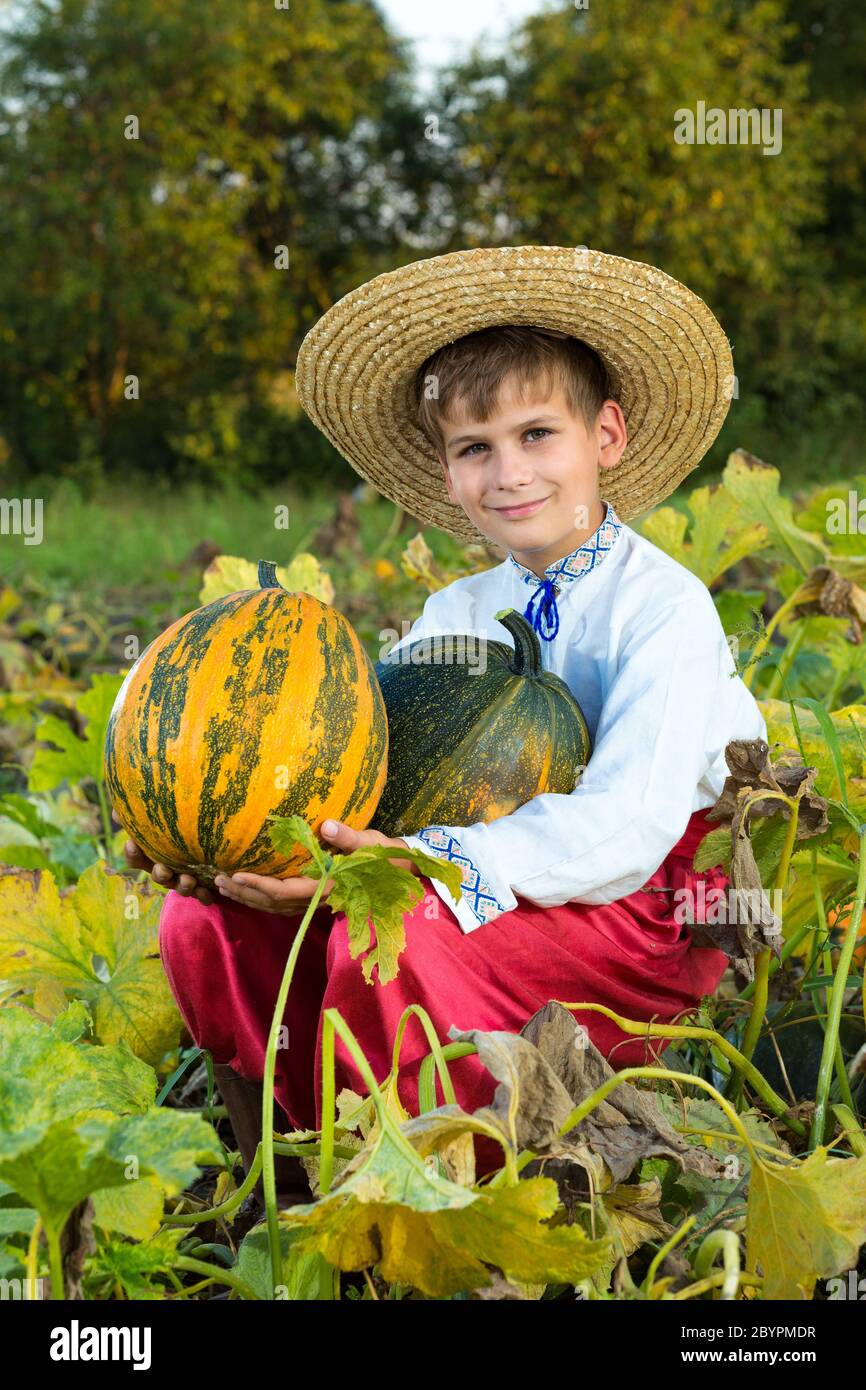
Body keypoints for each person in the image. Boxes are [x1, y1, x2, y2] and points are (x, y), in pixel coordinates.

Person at [127, 245, 766, 1201]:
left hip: (635, 909)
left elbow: (630, 826)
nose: (509, 472)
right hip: (443, 864)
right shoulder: (454, 616)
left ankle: (459, 1181)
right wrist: (252, 847)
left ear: (609, 436)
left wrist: (423, 868)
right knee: (202, 917)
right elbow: (360, 784)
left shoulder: (661, 608)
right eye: (475, 448)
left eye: (536, 435)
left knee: (396, 935)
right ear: (448, 470)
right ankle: (298, 1155)